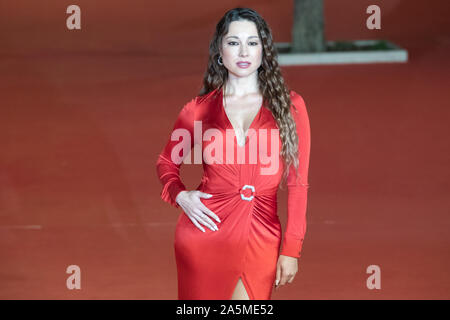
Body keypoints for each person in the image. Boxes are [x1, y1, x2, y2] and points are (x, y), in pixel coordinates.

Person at [156, 7, 311, 300]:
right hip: (204, 233)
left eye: (252, 43)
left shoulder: (291, 107)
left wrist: (292, 248)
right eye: (233, 42)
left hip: (261, 233)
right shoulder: (198, 109)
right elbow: (166, 162)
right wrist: (180, 195)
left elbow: (298, 183)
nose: (243, 51)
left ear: (264, 50)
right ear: (220, 50)